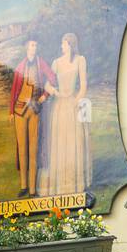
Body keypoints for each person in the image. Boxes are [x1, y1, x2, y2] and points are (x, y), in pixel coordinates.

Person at [39, 33, 92, 195]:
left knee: (74, 142)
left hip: (72, 104)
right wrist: (55, 92)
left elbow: (83, 85)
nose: (61, 46)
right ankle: (60, 184)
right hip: (59, 107)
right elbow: (47, 84)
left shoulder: (79, 60)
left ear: (69, 44)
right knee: (60, 142)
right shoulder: (56, 63)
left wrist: (76, 101)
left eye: (63, 43)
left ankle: (73, 183)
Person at [9, 36, 55, 197]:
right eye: (32, 45)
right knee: (22, 148)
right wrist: (10, 111)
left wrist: (45, 95)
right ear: (27, 47)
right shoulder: (20, 66)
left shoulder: (41, 63)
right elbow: (14, 89)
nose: (34, 47)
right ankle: (23, 185)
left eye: (36, 45)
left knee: (33, 148)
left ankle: (33, 189)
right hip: (20, 110)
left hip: (34, 108)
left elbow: (52, 78)